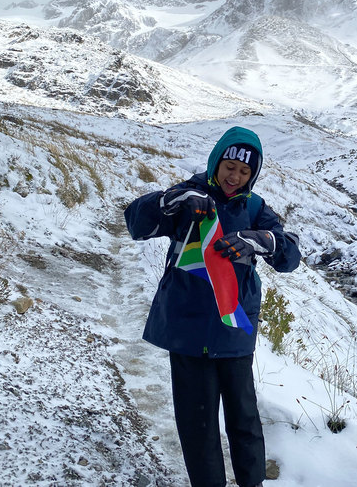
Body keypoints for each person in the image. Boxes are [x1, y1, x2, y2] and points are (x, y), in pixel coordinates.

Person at [124, 126, 301, 487]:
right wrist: (170, 202)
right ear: (216, 162)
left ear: (253, 174)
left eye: (244, 171)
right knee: (197, 425)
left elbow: (289, 255)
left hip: (234, 327)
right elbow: (136, 224)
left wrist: (260, 240)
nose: (234, 176)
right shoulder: (188, 197)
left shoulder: (254, 208)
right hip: (188, 329)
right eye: (229, 166)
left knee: (245, 420)